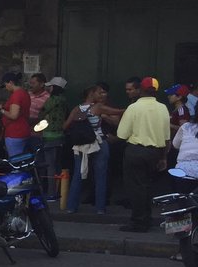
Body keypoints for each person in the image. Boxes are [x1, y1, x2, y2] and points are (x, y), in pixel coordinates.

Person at [116, 76, 171, 233]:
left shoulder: (134, 108)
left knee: (136, 188)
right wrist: (163, 158)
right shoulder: (163, 108)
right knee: (146, 186)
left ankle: (138, 222)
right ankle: (146, 218)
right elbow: (167, 137)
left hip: (135, 151)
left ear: (140, 90)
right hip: (155, 152)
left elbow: (122, 134)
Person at [65, 85, 120, 215]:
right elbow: (119, 112)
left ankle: (71, 207)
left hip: (80, 146)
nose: (102, 95)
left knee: (77, 175)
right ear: (91, 93)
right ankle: (100, 208)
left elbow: (66, 125)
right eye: (99, 93)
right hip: (99, 142)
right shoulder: (98, 107)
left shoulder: (76, 109)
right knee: (100, 176)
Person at [37, 77, 68, 197]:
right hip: (60, 135)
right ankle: (59, 191)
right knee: (58, 165)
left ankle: (50, 193)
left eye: (50, 86)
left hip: (49, 136)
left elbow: (41, 113)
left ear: (54, 88)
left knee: (49, 165)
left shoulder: (52, 100)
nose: (48, 88)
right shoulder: (64, 100)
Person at [0, 71, 32, 157]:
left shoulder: (16, 95)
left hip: (14, 133)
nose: (5, 88)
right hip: (23, 130)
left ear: (11, 82)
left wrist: (1, 110)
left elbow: (13, 115)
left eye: (5, 85)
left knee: (15, 162)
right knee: (22, 161)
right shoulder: (24, 93)